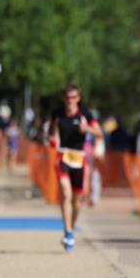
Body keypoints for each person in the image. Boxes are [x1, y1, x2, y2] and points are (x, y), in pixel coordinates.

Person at [49, 84, 103, 251]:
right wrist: (52, 139)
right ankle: (68, 232)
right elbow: (51, 132)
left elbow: (99, 133)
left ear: (78, 99)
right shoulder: (57, 113)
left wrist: (87, 129)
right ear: (64, 98)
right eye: (67, 98)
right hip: (63, 156)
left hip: (79, 158)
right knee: (66, 193)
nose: (70, 101)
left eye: (73, 98)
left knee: (77, 201)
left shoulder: (86, 114)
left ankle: (71, 228)